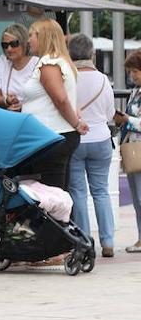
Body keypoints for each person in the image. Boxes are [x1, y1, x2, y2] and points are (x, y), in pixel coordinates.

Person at [19, 18, 87, 192]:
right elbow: (65, 98)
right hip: (56, 135)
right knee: (58, 195)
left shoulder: (49, 63)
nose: (28, 40)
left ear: (44, 36)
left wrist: (76, 124)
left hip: (50, 136)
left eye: (31, 35)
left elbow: (61, 99)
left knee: (51, 199)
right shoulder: (61, 61)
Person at [66, 33, 115, 257]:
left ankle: (84, 241)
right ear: (91, 53)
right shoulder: (103, 79)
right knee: (101, 192)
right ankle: (108, 242)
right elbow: (110, 113)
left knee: (78, 192)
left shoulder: (67, 77)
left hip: (76, 140)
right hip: (101, 138)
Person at [117, 52, 141, 254]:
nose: (132, 76)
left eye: (135, 71)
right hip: (133, 149)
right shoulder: (135, 92)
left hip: (138, 148)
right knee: (136, 197)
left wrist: (128, 120)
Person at [0, 23, 38, 111]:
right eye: (5, 45)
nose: (9, 49)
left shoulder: (37, 63)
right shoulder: (3, 62)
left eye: (14, 44)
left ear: (25, 43)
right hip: (11, 116)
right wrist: (6, 100)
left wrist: (24, 107)